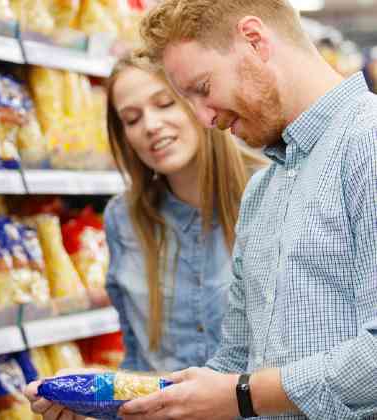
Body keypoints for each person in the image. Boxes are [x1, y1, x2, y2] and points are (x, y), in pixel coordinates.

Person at [114, 1, 376, 419]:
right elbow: (234, 365)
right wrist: (109, 402)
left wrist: (244, 394)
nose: (203, 118)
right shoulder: (261, 192)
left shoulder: (368, 145)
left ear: (254, 40)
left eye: (202, 89)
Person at [25, 52, 263, 419]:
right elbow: (139, 364)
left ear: (200, 102)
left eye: (165, 104)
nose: (150, 125)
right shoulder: (124, 219)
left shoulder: (269, 193)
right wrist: (91, 393)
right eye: (131, 119)